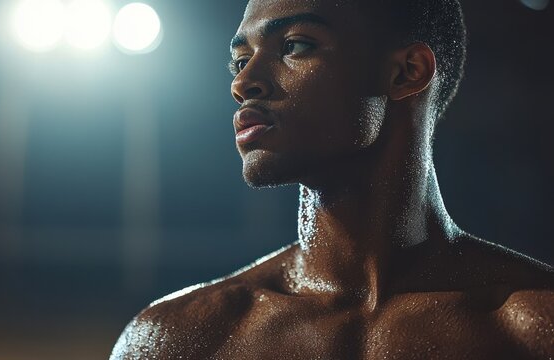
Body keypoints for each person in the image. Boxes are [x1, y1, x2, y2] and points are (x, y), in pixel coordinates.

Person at [110, 0, 554, 358]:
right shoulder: (181, 339)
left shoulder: (534, 327)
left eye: (295, 45)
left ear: (407, 72)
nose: (244, 82)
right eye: (240, 59)